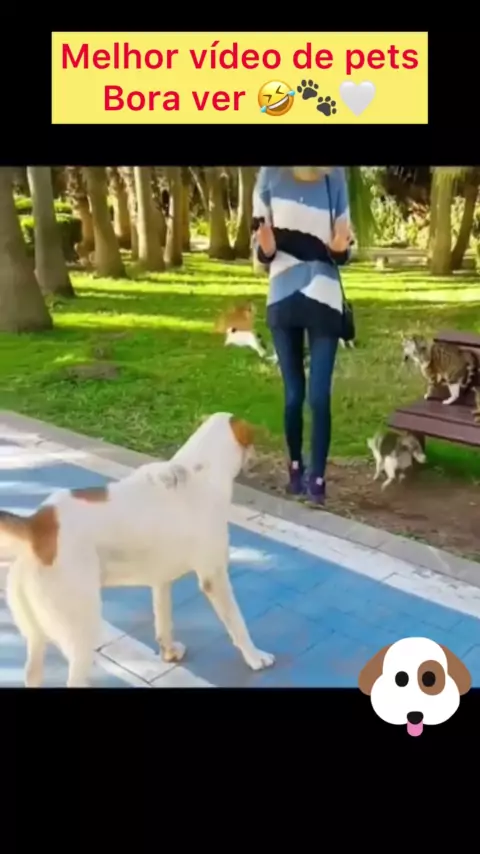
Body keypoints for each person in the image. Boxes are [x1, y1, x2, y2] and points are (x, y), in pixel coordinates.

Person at [252, 166, 352, 505]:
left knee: (319, 396)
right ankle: (295, 467)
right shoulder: (269, 175)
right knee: (294, 395)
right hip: (282, 299)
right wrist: (266, 249)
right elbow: (261, 250)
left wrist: (338, 249)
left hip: (324, 299)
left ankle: (317, 478)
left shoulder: (334, 176)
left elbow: (344, 249)